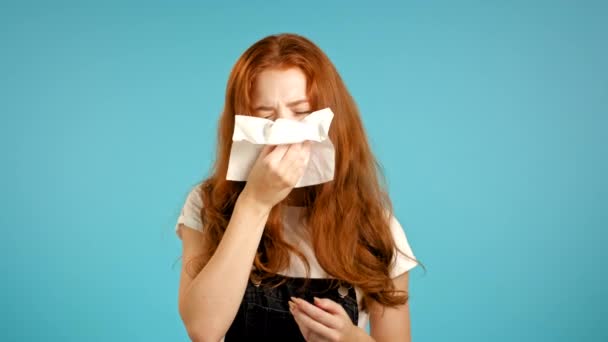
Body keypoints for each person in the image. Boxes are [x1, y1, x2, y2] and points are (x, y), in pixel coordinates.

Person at [174, 33, 423, 341]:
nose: (284, 132)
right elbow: (203, 329)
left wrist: (352, 339)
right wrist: (255, 202)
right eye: (265, 116)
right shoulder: (207, 204)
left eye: (301, 112)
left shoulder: (374, 228)